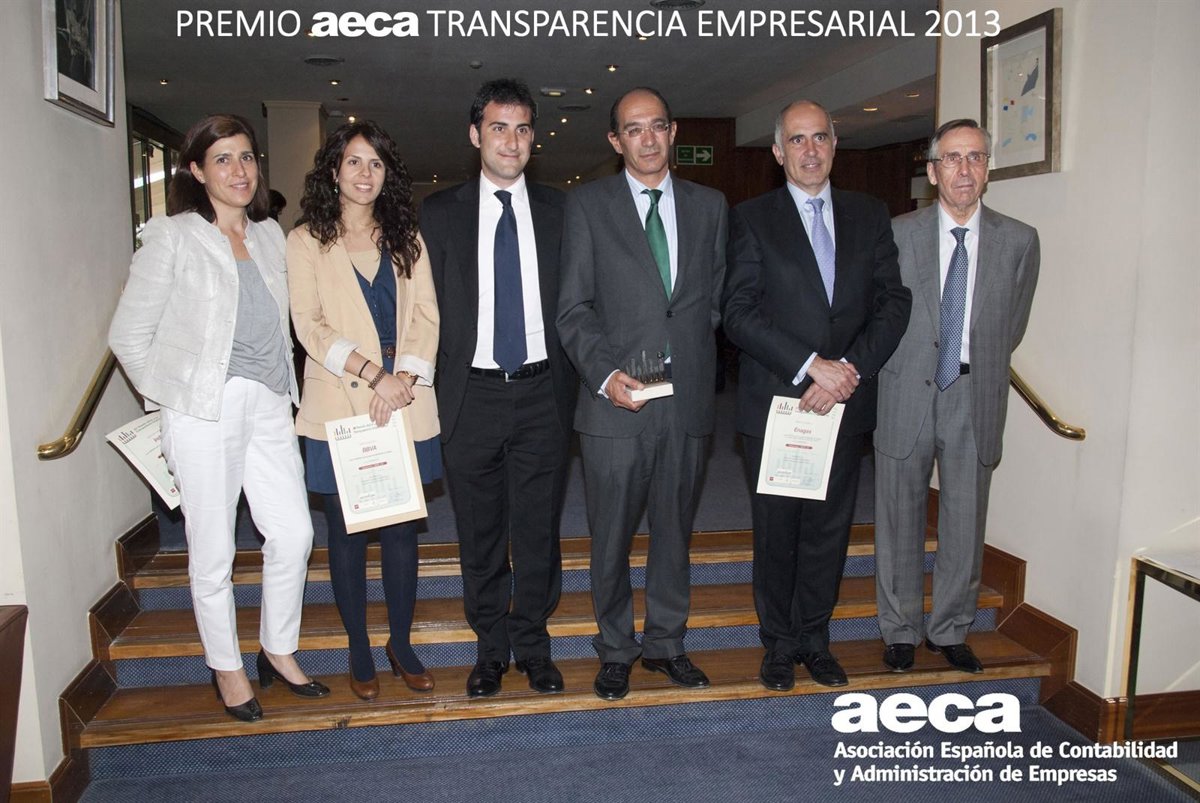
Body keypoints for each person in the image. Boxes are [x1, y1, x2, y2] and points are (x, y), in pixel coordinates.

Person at [109, 114, 328, 722]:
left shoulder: (269, 235)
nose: (239, 170)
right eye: (223, 159)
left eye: (247, 157)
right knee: (213, 549)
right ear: (197, 171)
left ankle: (277, 649)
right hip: (203, 410)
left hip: (270, 402)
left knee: (293, 533)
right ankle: (226, 667)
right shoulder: (172, 236)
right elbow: (128, 336)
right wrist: (172, 397)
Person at [723, 100, 911, 692]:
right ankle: (779, 645)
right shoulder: (751, 218)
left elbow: (893, 301)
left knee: (829, 531)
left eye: (820, 138)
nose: (810, 151)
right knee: (778, 532)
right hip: (781, 405)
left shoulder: (869, 213)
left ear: (835, 144)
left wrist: (847, 370)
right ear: (778, 152)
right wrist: (812, 367)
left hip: (844, 403)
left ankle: (815, 640)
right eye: (797, 140)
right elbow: (738, 312)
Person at [558, 87, 728, 702]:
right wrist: (607, 376)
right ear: (615, 140)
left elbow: (711, 301)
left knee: (674, 532)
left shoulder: (710, 205)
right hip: (615, 401)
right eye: (634, 129)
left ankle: (666, 644)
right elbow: (573, 308)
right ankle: (615, 648)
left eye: (657, 126)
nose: (648, 139)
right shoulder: (588, 205)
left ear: (673, 131)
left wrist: (685, 354)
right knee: (611, 537)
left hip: (685, 402)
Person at [420, 78, 575, 698]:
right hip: (471, 396)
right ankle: (490, 649)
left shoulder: (563, 211)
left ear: (534, 137)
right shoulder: (439, 214)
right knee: (480, 532)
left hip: (544, 393)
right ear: (475, 134)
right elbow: (419, 308)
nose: (511, 141)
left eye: (522, 129)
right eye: (498, 128)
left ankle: (533, 644)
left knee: (537, 529)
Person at [874, 119, 1039, 675]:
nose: (964, 169)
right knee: (899, 514)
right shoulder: (897, 234)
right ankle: (899, 630)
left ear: (988, 169)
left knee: (965, 521)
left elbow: (1011, 326)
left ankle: (950, 629)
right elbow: (880, 313)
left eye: (975, 157)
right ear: (932, 170)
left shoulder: (1020, 241)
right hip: (906, 391)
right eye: (952, 158)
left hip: (975, 393)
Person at [288, 121, 440, 700]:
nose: (364, 173)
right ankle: (358, 647)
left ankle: (400, 643)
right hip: (339, 403)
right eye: (354, 161)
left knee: (402, 530)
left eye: (376, 163)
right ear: (334, 171)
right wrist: (376, 375)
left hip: (404, 398)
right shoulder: (305, 241)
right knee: (346, 534)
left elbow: (426, 315)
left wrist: (403, 379)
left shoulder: (406, 237)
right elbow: (309, 326)